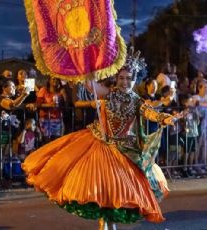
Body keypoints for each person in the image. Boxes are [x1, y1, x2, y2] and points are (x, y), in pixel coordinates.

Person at [22, 49, 183, 229]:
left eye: (129, 78)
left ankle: (108, 225)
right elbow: (90, 85)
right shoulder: (108, 94)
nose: (125, 82)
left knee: (117, 193)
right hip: (100, 147)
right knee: (101, 190)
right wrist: (84, 63)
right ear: (116, 78)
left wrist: (165, 118)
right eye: (121, 78)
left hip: (125, 153)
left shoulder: (137, 101)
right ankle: (104, 225)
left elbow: (150, 113)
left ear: (134, 79)